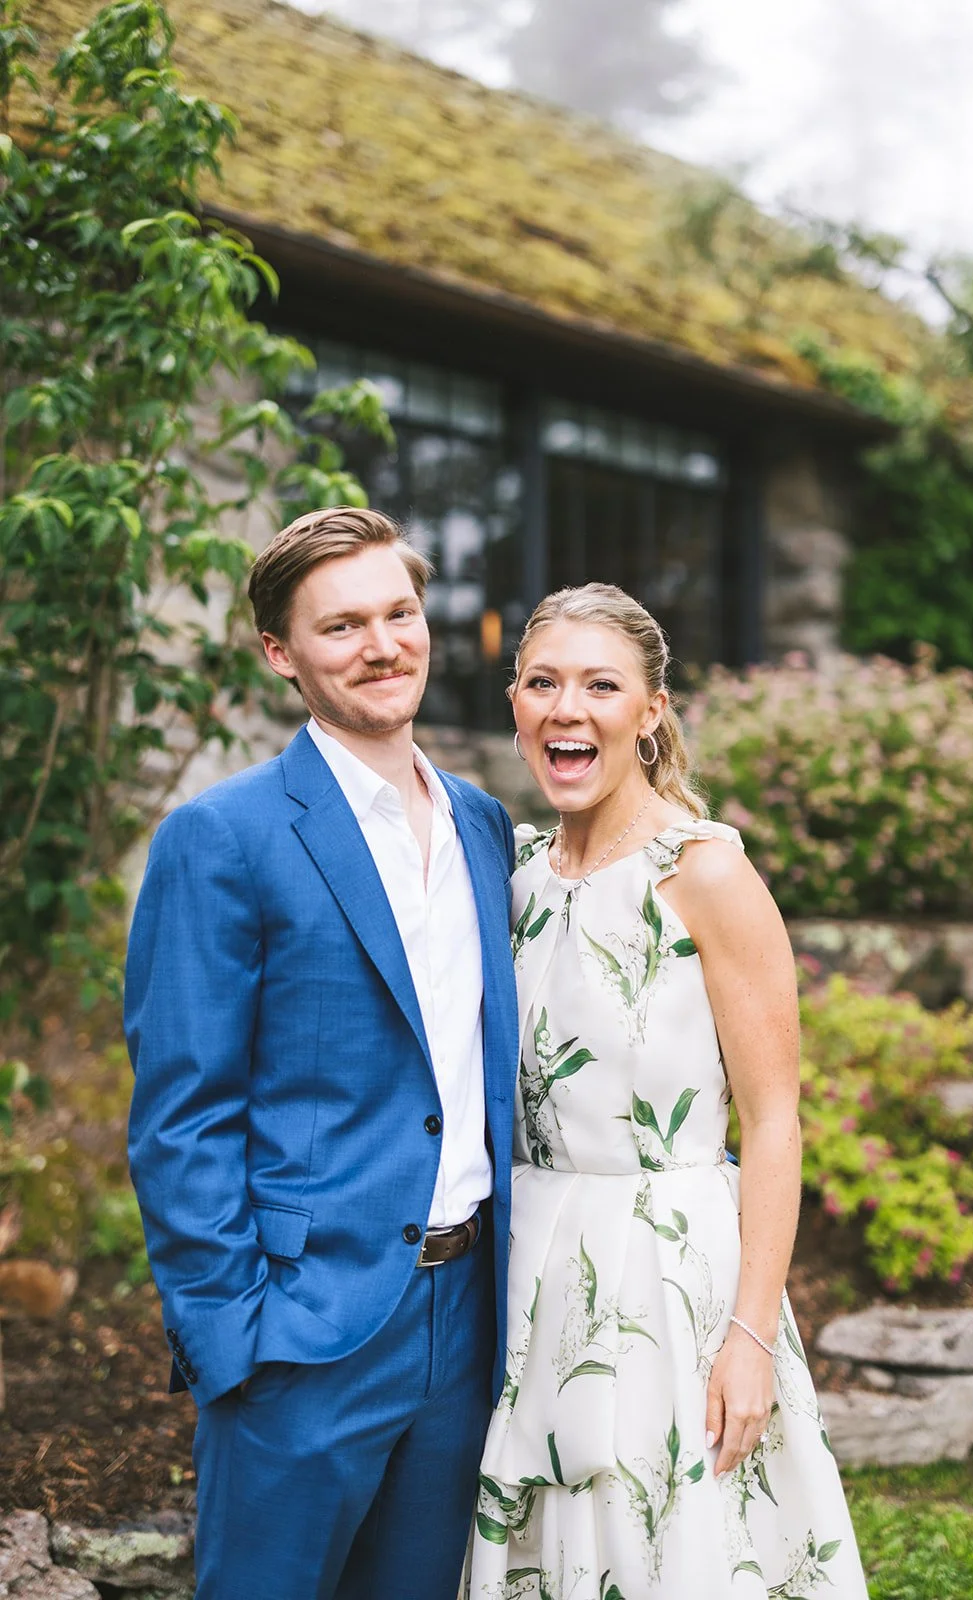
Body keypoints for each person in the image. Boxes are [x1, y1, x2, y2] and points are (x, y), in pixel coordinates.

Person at [125, 507, 518, 1600]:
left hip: (466, 1318)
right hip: (303, 1333)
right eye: (341, 625)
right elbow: (180, 1112)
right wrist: (233, 1337)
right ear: (278, 653)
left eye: (399, 611)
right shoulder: (223, 835)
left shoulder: (483, 823)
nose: (384, 644)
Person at [468, 584, 867, 1599]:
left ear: (648, 712)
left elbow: (774, 1122)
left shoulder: (703, 873)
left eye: (600, 685)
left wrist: (748, 1335)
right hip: (535, 1277)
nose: (568, 708)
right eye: (543, 682)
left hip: (672, 1278)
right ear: (513, 700)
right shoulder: (509, 875)